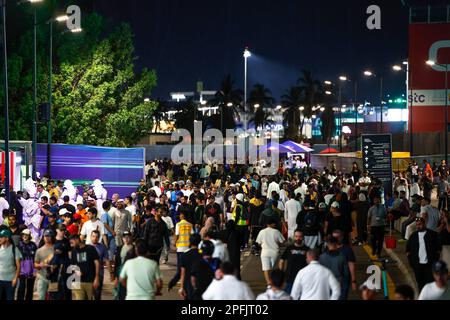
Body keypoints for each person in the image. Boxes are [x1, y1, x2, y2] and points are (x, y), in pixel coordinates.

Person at [406, 217, 442, 291]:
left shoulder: (432, 234)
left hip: (429, 265)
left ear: (424, 224)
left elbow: (439, 248)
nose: (418, 226)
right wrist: (411, 262)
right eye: (417, 225)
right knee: (420, 283)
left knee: (430, 283)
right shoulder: (413, 236)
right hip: (417, 265)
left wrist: (435, 259)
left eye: (420, 224)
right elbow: (408, 250)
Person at [69, 234, 100, 300]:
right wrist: (76, 271)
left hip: (90, 281)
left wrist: (96, 278)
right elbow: (72, 265)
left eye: (72, 243)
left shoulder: (90, 248)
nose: (71, 245)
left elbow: (97, 263)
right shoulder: (74, 251)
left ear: (77, 240)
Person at [256, 217, 285, 286]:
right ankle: (273, 282)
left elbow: (259, 243)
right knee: (272, 269)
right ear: (272, 224)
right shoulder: (276, 231)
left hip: (264, 252)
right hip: (274, 252)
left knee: (266, 268)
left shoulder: (262, 231)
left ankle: (268, 283)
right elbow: (282, 242)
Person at [168, 211, 194, 290]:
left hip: (180, 247)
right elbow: (192, 235)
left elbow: (177, 235)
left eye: (180, 215)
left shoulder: (178, 224)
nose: (179, 216)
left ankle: (178, 280)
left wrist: (174, 243)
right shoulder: (190, 225)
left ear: (182, 216)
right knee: (187, 265)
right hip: (188, 248)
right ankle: (186, 279)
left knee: (180, 266)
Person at [319, 235, 350, 300]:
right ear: (336, 244)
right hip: (338, 286)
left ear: (327, 244)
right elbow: (346, 275)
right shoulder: (342, 257)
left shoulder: (321, 257)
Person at [278, 229, 309, 294]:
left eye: (300, 236)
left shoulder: (307, 249)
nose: (298, 238)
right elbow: (281, 261)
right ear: (294, 237)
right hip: (289, 279)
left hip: (302, 280)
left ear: (303, 237)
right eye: (296, 236)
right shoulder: (289, 248)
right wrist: (281, 274)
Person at [332, 229, 357, 297]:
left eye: (338, 237)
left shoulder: (347, 249)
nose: (336, 239)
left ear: (342, 237)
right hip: (331, 278)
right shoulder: (329, 249)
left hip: (344, 279)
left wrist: (353, 281)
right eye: (334, 238)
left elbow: (351, 265)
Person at [179, 234, 202, 300]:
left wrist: (181, 287)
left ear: (190, 241)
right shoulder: (202, 254)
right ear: (199, 241)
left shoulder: (185, 255)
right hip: (200, 282)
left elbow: (183, 273)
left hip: (188, 283)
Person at [113, 231, 135, 300]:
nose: (126, 239)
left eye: (128, 237)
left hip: (131, 274)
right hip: (120, 272)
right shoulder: (119, 248)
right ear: (122, 239)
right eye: (125, 237)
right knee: (120, 292)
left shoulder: (135, 248)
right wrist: (115, 277)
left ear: (131, 238)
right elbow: (116, 263)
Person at [0, 229, 21, 300]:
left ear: (7, 238)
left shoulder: (15, 249)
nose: (0, 238)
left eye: (1, 237)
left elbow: (18, 266)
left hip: (10, 281)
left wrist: (15, 278)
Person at [91, 230, 112, 300]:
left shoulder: (103, 247)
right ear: (90, 237)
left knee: (97, 294)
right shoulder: (87, 247)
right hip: (89, 274)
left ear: (99, 238)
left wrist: (111, 272)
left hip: (99, 274)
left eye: (97, 237)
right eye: (93, 236)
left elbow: (107, 261)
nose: (95, 238)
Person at [34, 229, 55, 300]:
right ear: (43, 237)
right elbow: (35, 264)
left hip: (54, 277)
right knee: (41, 297)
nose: (47, 237)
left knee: (53, 298)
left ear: (52, 237)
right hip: (42, 277)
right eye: (45, 236)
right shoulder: (39, 250)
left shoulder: (56, 249)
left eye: (49, 236)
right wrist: (40, 265)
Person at [17, 229, 37, 301]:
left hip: (31, 270)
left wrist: (35, 270)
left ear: (29, 236)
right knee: (21, 288)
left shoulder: (33, 245)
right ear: (22, 236)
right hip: (21, 271)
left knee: (30, 288)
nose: (25, 236)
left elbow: (36, 258)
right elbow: (16, 259)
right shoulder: (18, 245)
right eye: (24, 235)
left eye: (27, 235)